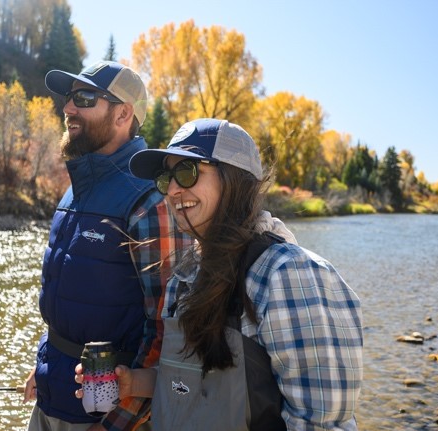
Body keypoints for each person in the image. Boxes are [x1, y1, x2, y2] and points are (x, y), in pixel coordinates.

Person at [77, 118, 363, 430]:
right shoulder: (182, 277)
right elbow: (186, 381)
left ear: (234, 180)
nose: (172, 190)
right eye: (165, 178)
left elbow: (321, 422)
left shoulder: (287, 275)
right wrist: (132, 383)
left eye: (186, 172)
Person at [22, 60, 191, 431]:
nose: (68, 108)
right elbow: (67, 298)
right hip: (50, 398)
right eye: (69, 98)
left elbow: (166, 328)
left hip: (102, 418)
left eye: (84, 98)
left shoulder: (149, 200)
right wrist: (44, 366)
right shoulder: (74, 190)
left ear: (123, 114)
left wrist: (118, 421)